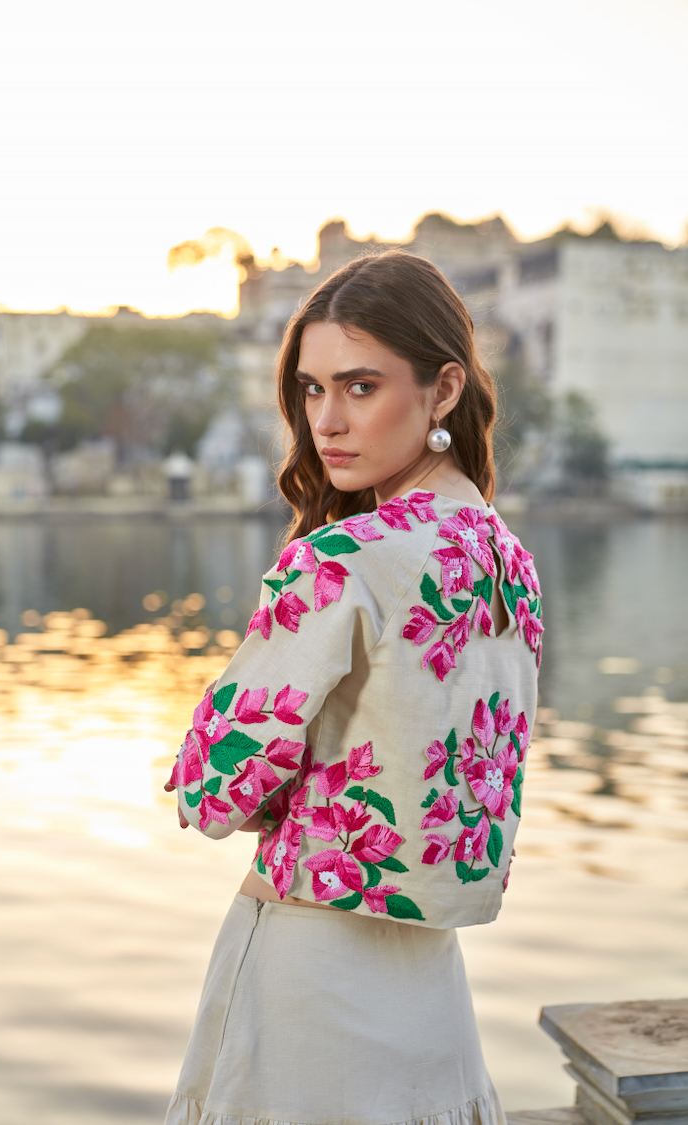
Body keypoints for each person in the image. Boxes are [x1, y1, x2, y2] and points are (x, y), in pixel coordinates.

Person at [163, 251, 543, 1125]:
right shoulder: (505, 561)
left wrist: (285, 784)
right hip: (428, 983)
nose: (326, 421)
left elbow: (215, 786)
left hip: (310, 968)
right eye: (310, 389)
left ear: (444, 390)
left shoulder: (339, 563)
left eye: (361, 387)